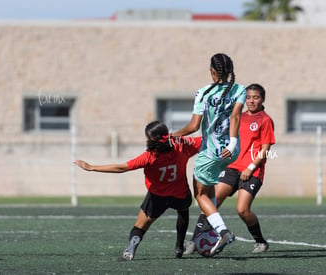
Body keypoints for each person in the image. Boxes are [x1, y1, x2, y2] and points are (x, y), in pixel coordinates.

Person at [74, 121, 201, 260]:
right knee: (183, 213)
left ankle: (133, 243)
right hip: (180, 194)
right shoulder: (181, 146)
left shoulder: (149, 157)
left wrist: (91, 167)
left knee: (139, 228)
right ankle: (179, 246)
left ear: (150, 139)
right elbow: (205, 141)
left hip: (157, 197)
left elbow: (121, 168)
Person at [185, 83, 275, 255]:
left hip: (252, 171)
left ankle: (260, 241)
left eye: (255, 97)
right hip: (231, 167)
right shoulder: (237, 116)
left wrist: (250, 167)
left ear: (262, 99)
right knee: (211, 202)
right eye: (248, 97)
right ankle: (194, 241)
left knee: (242, 210)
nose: (251, 101)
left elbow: (265, 150)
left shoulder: (265, 120)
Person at [172, 53, 247, 256]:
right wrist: (232, 143)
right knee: (210, 190)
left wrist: (174, 135)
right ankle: (210, 230)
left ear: (213, 71)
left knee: (200, 194)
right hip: (231, 150)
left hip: (210, 153)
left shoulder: (203, 93)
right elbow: (236, 116)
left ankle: (223, 231)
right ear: (230, 70)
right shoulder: (240, 89)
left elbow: (194, 126)